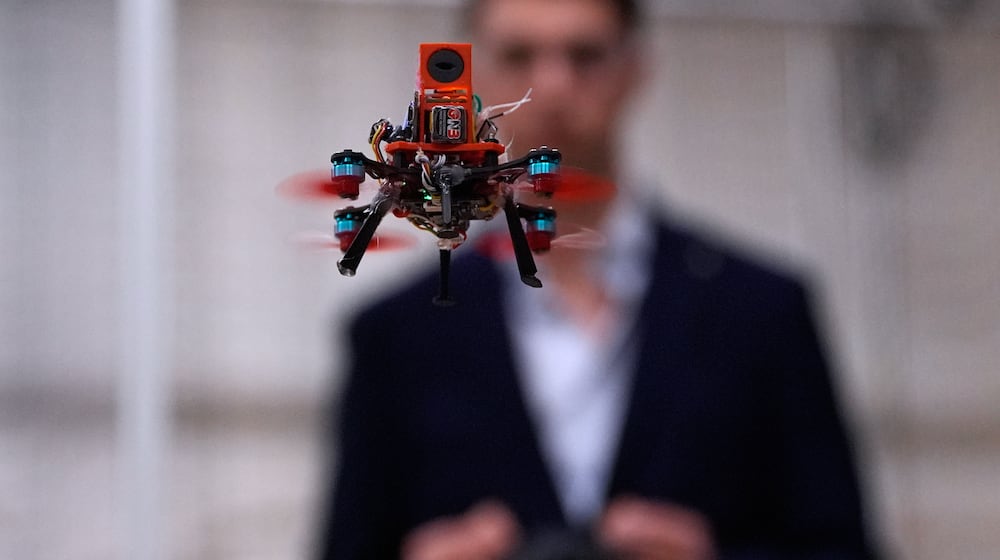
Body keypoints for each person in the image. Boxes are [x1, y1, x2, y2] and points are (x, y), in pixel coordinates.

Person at [316, 0, 879, 558]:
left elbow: (843, 545)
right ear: (472, 83)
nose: (553, 84)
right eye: (519, 55)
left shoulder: (760, 314)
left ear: (636, 67)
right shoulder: (397, 335)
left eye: (585, 55)